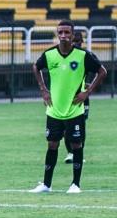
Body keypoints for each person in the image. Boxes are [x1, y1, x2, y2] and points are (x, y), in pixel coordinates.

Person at [30, 21, 106, 194]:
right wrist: (43, 90)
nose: (63, 35)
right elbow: (36, 67)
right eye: (60, 32)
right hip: (54, 110)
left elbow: (102, 71)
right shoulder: (49, 55)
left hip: (74, 110)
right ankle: (46, 185)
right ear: (57, 34)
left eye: (66, 32)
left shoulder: (82, 55)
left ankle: (75, 185)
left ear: (72, 35)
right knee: (52, 145)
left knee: (76, 145)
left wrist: (87, 92)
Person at [64, 31, 89, 164]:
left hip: (82, 97)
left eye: (79, 42)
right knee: (66, 125)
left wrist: (88, 89)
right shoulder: (64, 56)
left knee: (81, 125)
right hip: (66, 97)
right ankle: (70, 153)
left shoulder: (86, 56)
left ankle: (79, 153)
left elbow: (100, 72)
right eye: (75, 41)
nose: (77, 44)